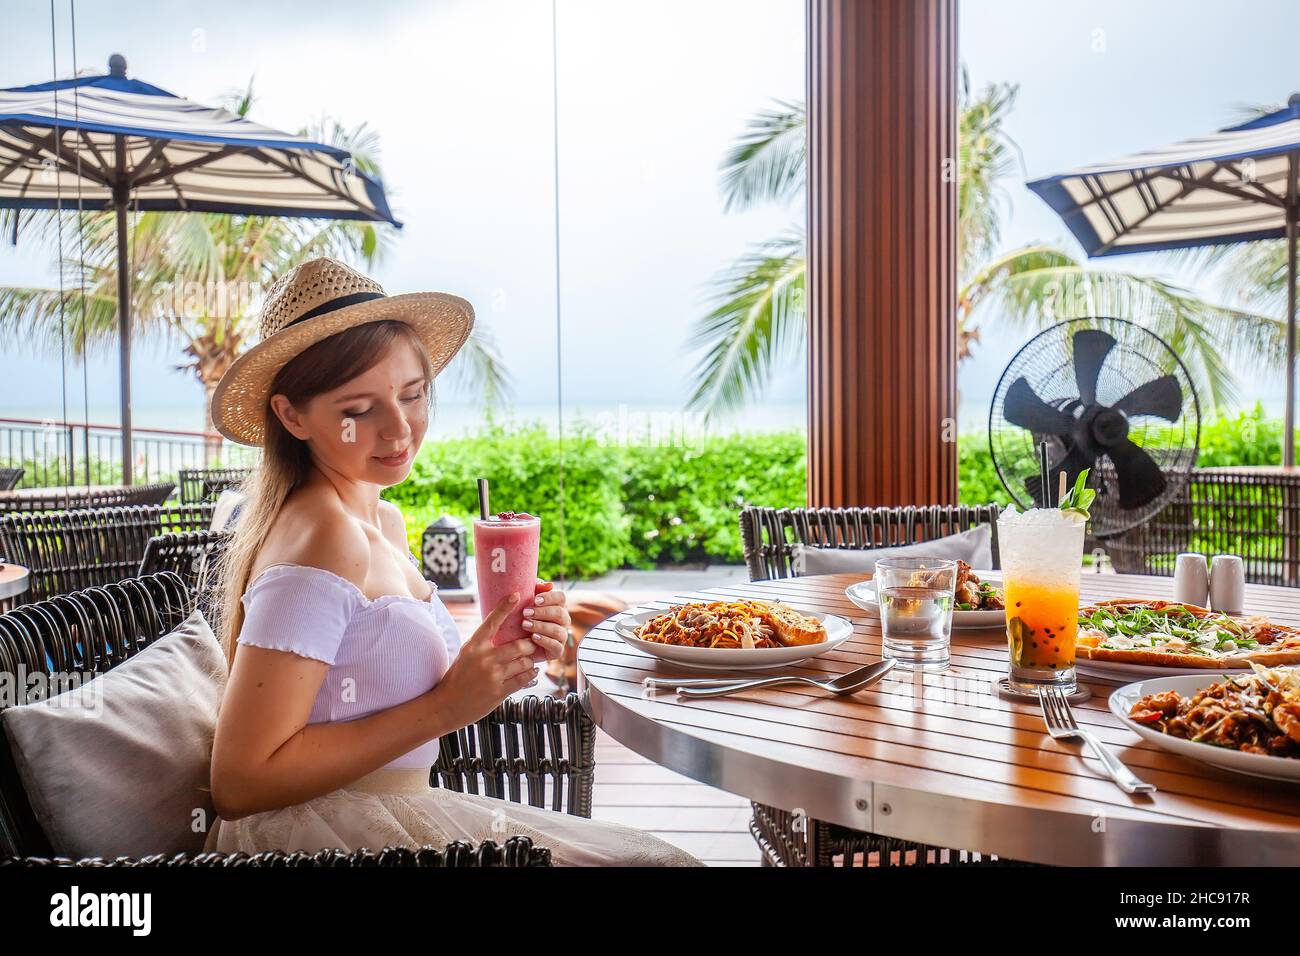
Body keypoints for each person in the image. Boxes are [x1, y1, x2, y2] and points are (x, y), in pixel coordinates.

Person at [203, 257, 700, 866]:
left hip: (395, 812)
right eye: (359, 410)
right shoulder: (325, 537)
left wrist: (495, 657)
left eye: (413, 395)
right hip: (330, 841)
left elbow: (367, 687)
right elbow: (240, 782)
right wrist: (448, 706)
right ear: (292, 415)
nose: (399, 430)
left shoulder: (379, 520)